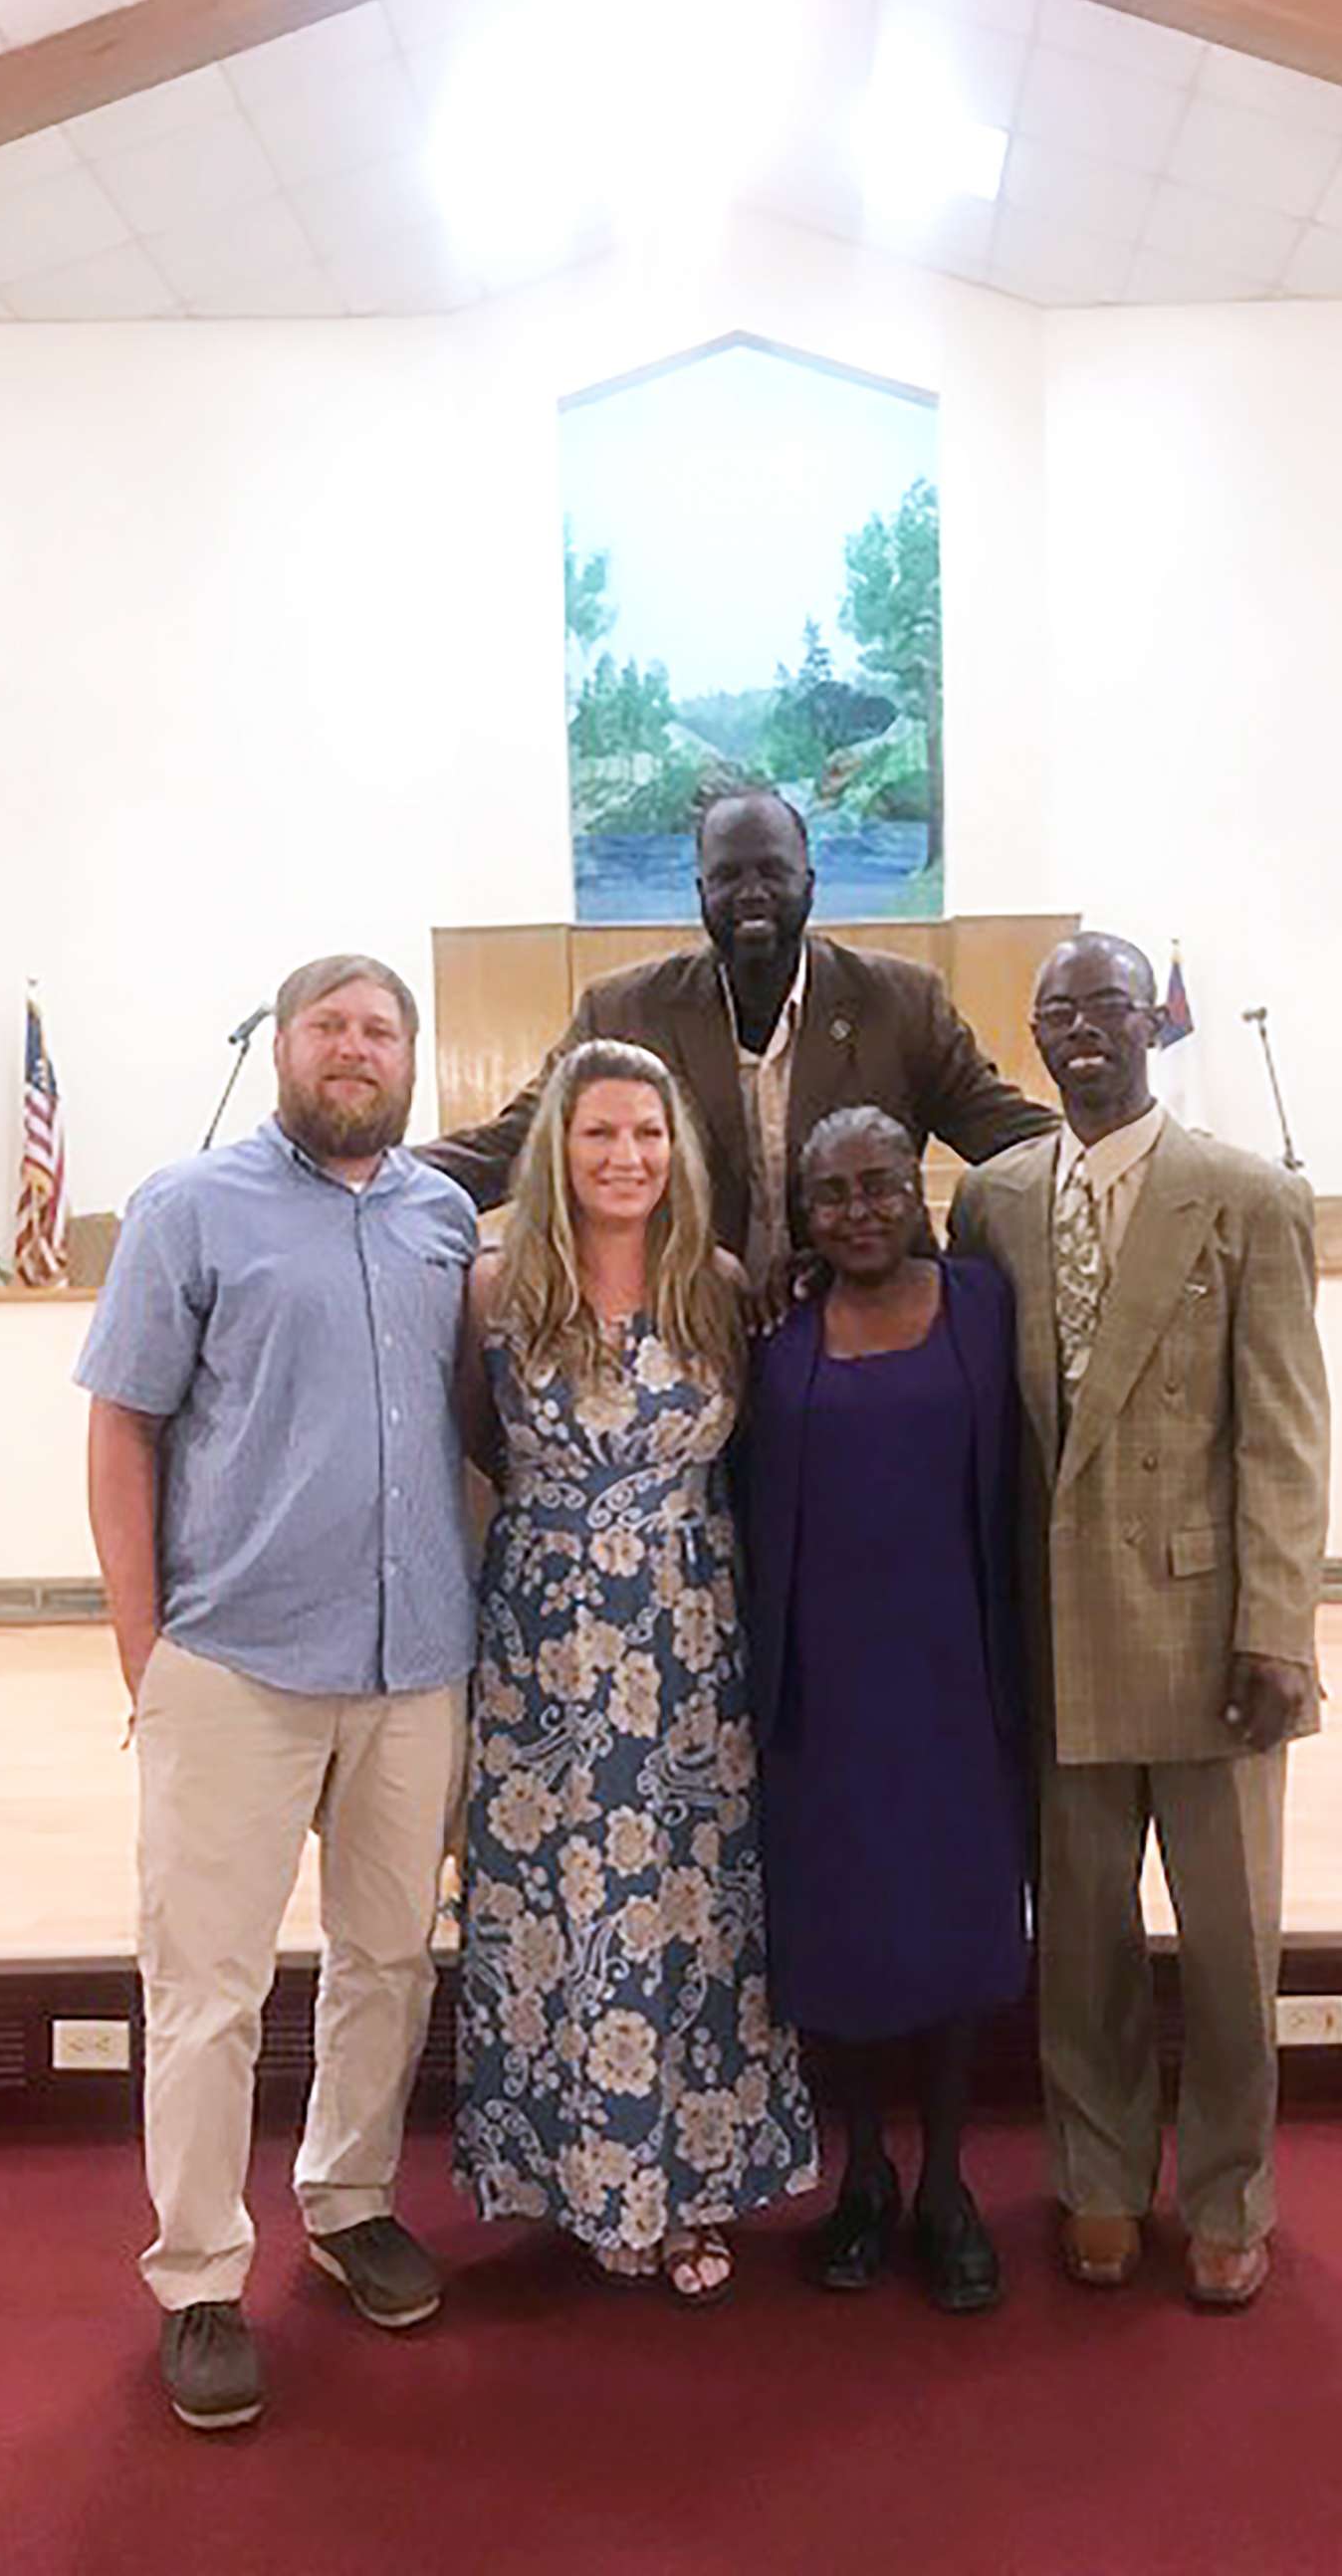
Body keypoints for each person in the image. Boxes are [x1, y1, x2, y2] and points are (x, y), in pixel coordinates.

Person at [78, 955, 478, 2434]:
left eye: (381, 1031)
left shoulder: (445, 1219)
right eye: (331, 1028)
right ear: (284, 1051)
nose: (356, 1051)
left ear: (409, 1057)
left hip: (413, 1662)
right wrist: (147, 1653)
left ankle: (350, 2198)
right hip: (234, 1664)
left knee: (388, 1960)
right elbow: (123, 1433)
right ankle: (196, 2279)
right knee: (207, 1990)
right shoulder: (189, 1211)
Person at [948, 933, 1329, 2311]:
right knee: (1086, 1941)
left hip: (1211, 1631)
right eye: (1059, 1013)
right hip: (1059, 1632)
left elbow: (1284, 1432)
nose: (1084, 1030)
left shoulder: (1246, 1196)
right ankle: (1099, 2181)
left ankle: (1232, 2193)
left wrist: (1278, 1626)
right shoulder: (990, 1199)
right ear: (1038, 1037)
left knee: (1231, 1947)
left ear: (1151, 1025)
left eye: (1108, 1005)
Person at [453, 1037, 817, 2301]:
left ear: (680, 1151)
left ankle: (684, 2178)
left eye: (647, 1135)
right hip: (546, 1648)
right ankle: (576, 2179)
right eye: (599, 1134)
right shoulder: (496, 1285)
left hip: (688, 1639)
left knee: (684, 1913)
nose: (625, 1157)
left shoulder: (716, 1285)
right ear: (557, 1145)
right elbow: (472, 1441)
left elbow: (756, 1457)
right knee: (558, 1915)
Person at [745, 1108, 1026, 2314]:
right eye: (831, 1195)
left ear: (921, 1192)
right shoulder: (773, 1329)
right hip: (822, 1680)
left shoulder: (987, 1301)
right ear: (800, 1215)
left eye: (881, 1187)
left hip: (961, 1671)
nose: (859, 1211)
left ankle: (949, 2184)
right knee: (844, 1935)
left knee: (956, 1926)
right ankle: (862, 2173)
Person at [420, 789, 1056, 1281]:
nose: (751, 893)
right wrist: (374, 1182)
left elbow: (1008, 1138)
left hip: (857, 1337)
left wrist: (1127, 1158)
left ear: (809, 883)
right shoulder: (623, 1012)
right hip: (687, 1332)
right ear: (701, 892)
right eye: (728, 877)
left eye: (773, 872)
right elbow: (520, 1144)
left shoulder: (901, 1004)